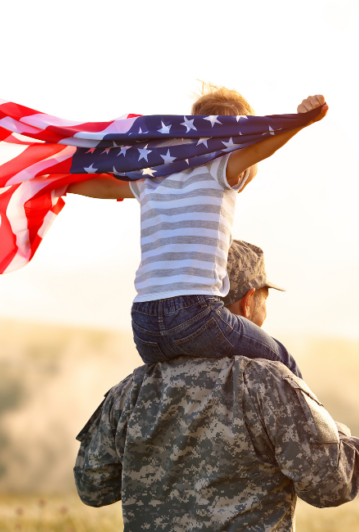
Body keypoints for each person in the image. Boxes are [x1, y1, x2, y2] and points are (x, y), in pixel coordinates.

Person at [73, 240, 359, 531]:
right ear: (248, 302)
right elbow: (331, 485)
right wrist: (338, 436)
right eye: (264, 298)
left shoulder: (131, 389)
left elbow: (93, 487)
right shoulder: (269, 382)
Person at [67, 86, 323, 378]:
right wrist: (301, 121)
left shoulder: (155, 175)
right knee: (284, 361)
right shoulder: (219, 167)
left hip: (145, 327)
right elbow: (258, 152)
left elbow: (103, 186)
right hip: (195, 315)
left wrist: (54, 183)